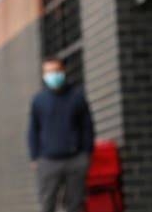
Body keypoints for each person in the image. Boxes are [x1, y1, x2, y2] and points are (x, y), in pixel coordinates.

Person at [27, 57, 95, 212]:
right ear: (44, 75)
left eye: (56, 71)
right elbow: (33, 130)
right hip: (48, 161)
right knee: (47, 203)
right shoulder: (38, 100)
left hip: (75, 159)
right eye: (49, 72)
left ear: (63, 71)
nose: (53, 75)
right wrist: (34, 157)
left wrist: (86, 153)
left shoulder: (77, 97)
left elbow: (87, 126)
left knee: (76, 204)